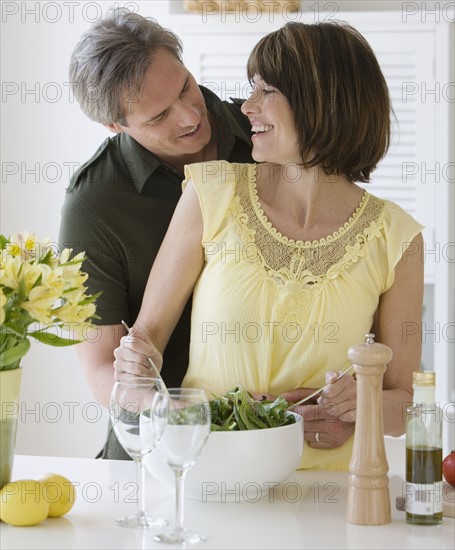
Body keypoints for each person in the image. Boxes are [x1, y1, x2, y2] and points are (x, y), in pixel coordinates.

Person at [114, 21, 424, 471]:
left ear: (323, 102)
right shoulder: (210, 194)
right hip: (211, 479)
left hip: (329, 499)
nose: (247, 107)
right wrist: (142, 382)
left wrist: (361, 409)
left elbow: (406, 404)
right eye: (250, 89)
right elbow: (143, 350)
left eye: (266, 90)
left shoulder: (397, 237)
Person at [58, 8, 253, 459]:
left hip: (270, 435)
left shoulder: (265, 135)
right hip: (156, 452)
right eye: (159, 115)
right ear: (115, 125)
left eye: (185, 86)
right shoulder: (94, 204)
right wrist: (182, 415)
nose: (189, 116)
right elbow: (102, 370)